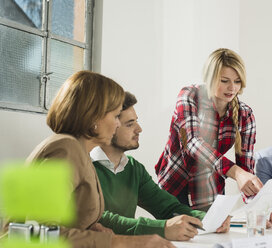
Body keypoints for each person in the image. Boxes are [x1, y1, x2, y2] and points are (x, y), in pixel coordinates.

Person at [24, 71, 174, 248]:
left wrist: (92, 230)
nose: (118, 124)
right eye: (115, 116)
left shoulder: (80, 152)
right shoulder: (65, 149)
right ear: (94, 117)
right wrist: (121, 242)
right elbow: (35, 233)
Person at [91, 91, 232, 241]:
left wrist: (208, 219)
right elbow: (97, 219)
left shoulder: (133, 168)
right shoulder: (85, 166)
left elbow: (167, 207)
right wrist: (162, 228)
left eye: (136, 121)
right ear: (109, 126)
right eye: (130, 124)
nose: (139, 129)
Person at [155, 48, 263, 211]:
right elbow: (192, 143)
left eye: (237, 81)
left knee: (214, 235)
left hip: (209, 190)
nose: (232, 88)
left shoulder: (244, 114)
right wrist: (236, 172)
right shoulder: (189, 96)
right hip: (175, 184)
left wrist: (259, 209)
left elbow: (246, 169)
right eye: (224, 80)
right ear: (210, 78)